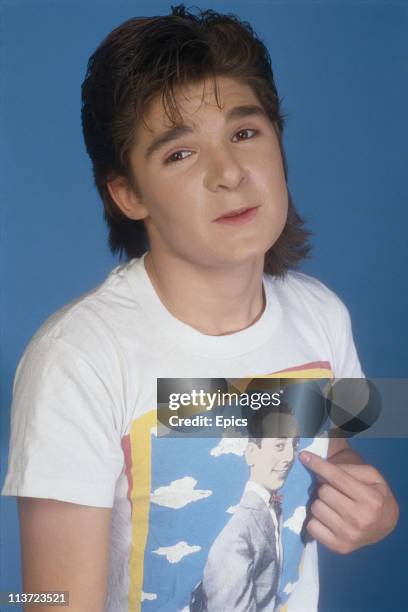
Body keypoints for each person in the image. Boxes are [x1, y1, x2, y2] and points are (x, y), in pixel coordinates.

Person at [1, 5, 399, 612]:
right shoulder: (77, 359)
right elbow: (48, 598)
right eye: (179, 154)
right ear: (128, 193)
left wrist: (375, 510)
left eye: (244, 133)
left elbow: (336, 448)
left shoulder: (323, 316)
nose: (230, 174)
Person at [190, 407, 299, 611]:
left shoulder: (272, 509)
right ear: (251, 454)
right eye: (279, 445)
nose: (290, 456)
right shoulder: (236, 540)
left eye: (295, 444)